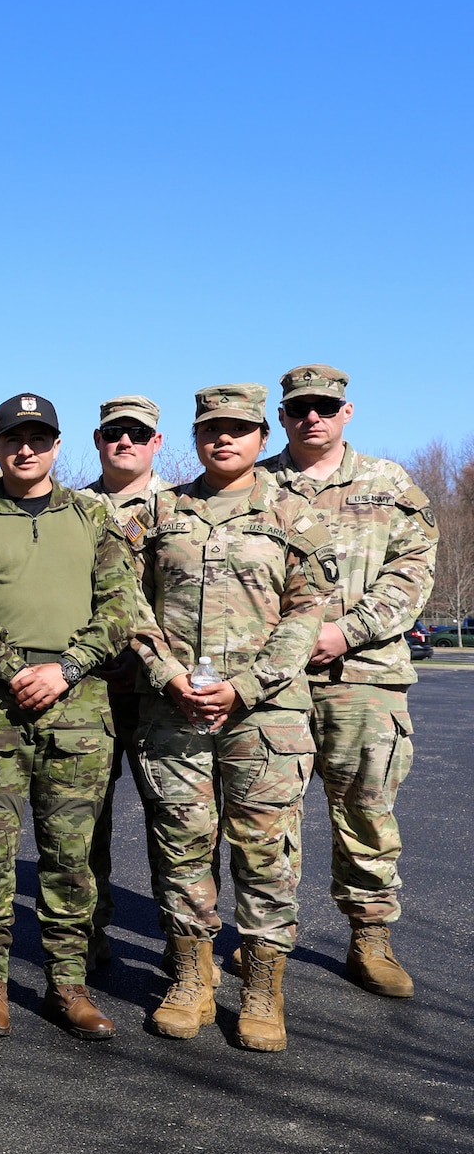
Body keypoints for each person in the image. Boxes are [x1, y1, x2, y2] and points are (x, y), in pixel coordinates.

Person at [129, 384, 335, 1051]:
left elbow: (306, 615)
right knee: (181, 841)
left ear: (262, 437)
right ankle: (192, 977)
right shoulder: (159, 512)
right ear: (195, 436)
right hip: (174, 709)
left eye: (239, 428)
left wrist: (247, 686)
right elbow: (128, 605)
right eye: (211, 428)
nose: (224, 438)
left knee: (266, 851)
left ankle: (263, 988)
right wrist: (167, 674)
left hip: (265, 714)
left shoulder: (293, 515)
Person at [0, 393, 135, 1040]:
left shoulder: (92, 516)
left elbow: (120, 608)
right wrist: (13, 668)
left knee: (70, 856)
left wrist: (67, 667)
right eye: (14, 439)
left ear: (57, 446)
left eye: (39, 438)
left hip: (78, 703)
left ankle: (68, 984)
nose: (27, 449)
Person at [261, 364, 437, 998]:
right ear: (282, 416)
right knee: (267, 816)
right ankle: (264, 942)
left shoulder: (388, 483)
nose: (313, 417)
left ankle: (370, 935)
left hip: (362, 676)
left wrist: (347, 632)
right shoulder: (256, 484)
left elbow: (413, 571)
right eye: (299, 407)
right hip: (273, 683)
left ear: (347, 412)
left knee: (366, 809)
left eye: (325, 407)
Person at [78, 394, 172, 969]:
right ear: (98, 440)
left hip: (161, 690)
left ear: (156, 442)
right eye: (114, 433)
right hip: (91, 684)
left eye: (138, 433)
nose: (125, 442)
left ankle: (185, 942)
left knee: (177, 819)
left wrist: (151, 660)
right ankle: (88, 932)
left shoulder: (183, 508)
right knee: (86, 817)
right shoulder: (70, 508)